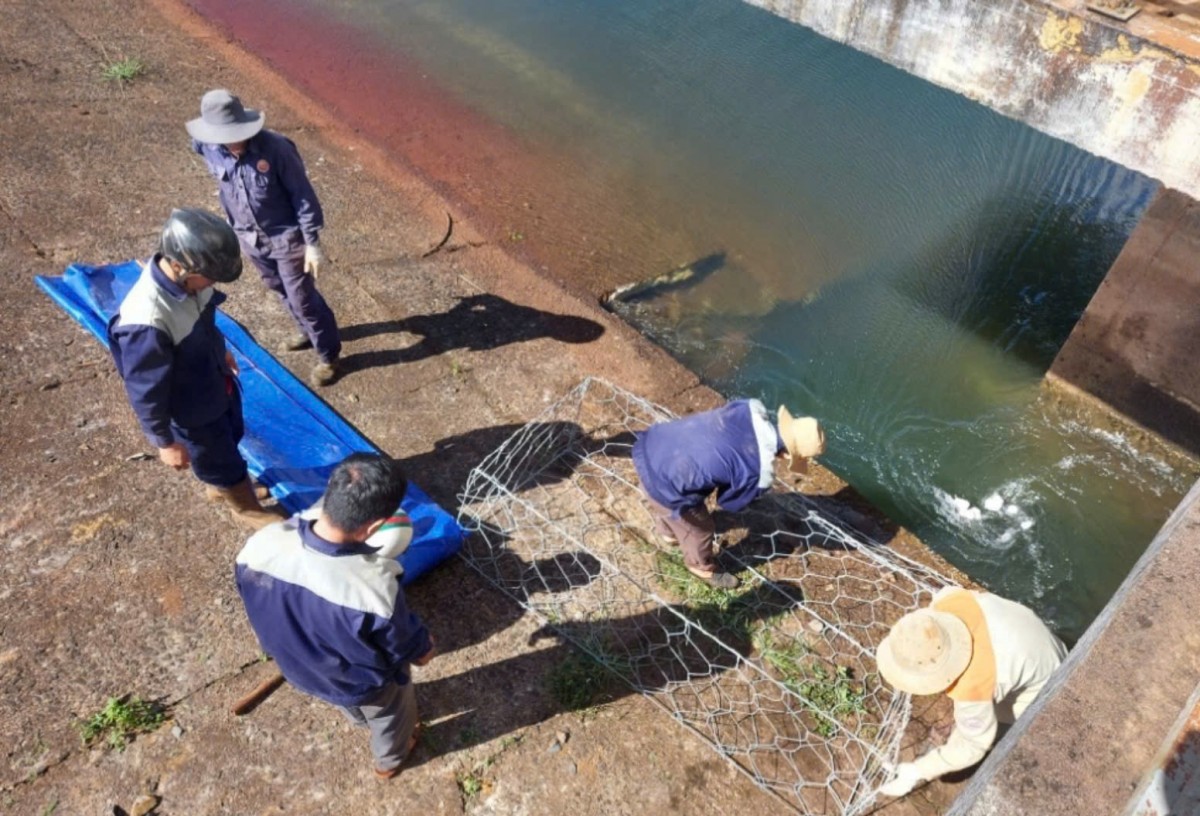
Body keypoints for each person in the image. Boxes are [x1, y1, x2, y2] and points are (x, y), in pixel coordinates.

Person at [235, 453, 435, 779]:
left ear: (330, 491)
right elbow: (404, 645)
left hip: (298, 667)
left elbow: (250, 599)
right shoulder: (373, 587)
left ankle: (357, 719)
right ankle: (390, 761)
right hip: (360, 682)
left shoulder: (259, 546)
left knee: (350, 704)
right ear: (373, 528)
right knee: (391, 717)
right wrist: (424, 645)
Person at [107, 208, 285, 530]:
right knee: (218, 455)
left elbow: (204, 319)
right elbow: (145, 391)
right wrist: (164, 442)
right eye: (210, 276)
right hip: (192, 409)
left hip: (212, 379)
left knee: (230, 435)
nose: (213, 282)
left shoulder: (192, 281)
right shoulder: (145, 322)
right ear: (179, 265)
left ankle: (224, 486)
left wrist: (221, 350)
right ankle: (246, 508)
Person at [186, 88, 342, 387]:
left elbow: (303, 196)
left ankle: (328, 355)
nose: (227, 141)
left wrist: (312, 243)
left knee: (303, 299)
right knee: (278, 288)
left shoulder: (277, 149)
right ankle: (305, 331)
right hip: (249, 238)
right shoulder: (207, 145)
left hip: (286, 238)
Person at [875, 586, 1068, 797]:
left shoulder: (975, 683)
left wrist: (917, 771)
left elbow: (973, 744)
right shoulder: (948, 601)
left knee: (991, 732)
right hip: (1044, 647)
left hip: (1051, 690)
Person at [632, 400, 825, 589]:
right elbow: (728, 502)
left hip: (651, 445)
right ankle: (701, 568)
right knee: (700, 528)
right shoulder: (762, 472)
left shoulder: (750, 407)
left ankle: (669, 534)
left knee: (668, 498)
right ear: (789, 455)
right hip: (664, 485)